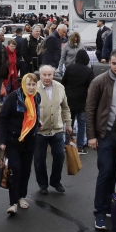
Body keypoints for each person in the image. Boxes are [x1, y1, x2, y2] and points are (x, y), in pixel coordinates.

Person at [86, 51, 116, 231]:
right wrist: (91, 135)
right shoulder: (98, 82)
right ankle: (99, 211)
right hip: (104, 134)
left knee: (114, 171)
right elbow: (90, 109)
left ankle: (109, 205)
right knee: (105, 171)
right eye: (113, 63)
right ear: (110, 64)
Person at [0, 73, 41, 216]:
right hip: (13, 140)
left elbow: (35, 114)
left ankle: (22, 196)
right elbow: (2, 117)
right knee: (15, 169)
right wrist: (2, 141)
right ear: (23, 84)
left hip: (29, 141)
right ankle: (13, 202)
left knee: (26, 170)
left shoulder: (36, 97)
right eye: (28, 84)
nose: (31, 87)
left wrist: (37, 123)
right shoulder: (14, 97)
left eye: (33, 84)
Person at [34, 65, 72, 195]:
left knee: (60, 156)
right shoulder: (34, 88)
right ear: (40, 75)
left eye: (49, 75)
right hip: (39, 132)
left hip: (57, 130)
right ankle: (43, 184)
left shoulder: (60, 87)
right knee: (39, 159)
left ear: (53, 75)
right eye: (44, 75)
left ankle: (55, 181)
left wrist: (68, 123)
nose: (47, 77)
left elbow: (65, 107)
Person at [61, 49, 95, 153]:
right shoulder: (89, 71)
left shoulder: (70, 68)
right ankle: (80, 146)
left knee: (69, 123)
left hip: (69, 100)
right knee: (81, 124)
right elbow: (92, 87)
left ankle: (67, 144)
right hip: (82, 101)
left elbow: (63, 82)